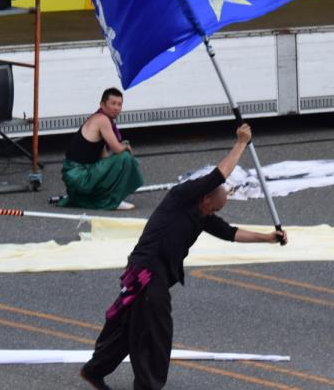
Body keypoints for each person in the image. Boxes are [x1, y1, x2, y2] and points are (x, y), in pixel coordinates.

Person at [80, 123, 288, 390]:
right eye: (214, 207)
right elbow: (218, 176)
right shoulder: (183, 195)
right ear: (205, 199)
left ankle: (94, 371)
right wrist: (240, 143)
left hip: (153, 274)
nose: (213, 213)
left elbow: (230, 233)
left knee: (130, 327)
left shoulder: (202, 215)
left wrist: (268, 238)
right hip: (147, 273)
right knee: (157, 332)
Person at [55, 88, 144, 211]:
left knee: (118, 160)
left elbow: (104, 158)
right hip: (78, 176)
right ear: (102, 105)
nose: (117, 108)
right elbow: (117, 149)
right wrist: (126, 146)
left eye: (119, 104)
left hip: (76, 177)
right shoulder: (102, 119)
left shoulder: (100, 119)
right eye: (113, 103)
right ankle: (112, 201)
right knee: (124, 157)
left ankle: (109, 197)